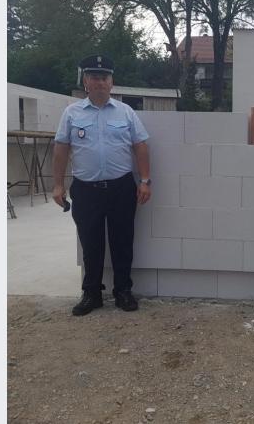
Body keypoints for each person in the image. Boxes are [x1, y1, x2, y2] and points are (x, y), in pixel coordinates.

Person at [52, 55, 152, 316]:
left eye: (104, 77)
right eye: (94, 77)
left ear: (112, 82)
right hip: (86, 190)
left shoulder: (126, 112)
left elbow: (140, 146)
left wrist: (145, 180)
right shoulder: (71, 113)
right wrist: (57, 186)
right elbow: (61, 149)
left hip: (121, 188)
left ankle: (123, 292)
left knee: (123, 242)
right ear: (86, 81)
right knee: (90, 243)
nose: (99, 82)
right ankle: (92, 293)